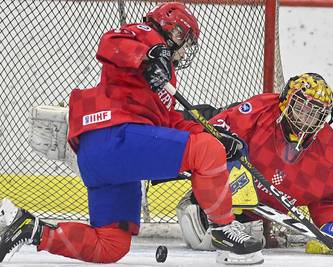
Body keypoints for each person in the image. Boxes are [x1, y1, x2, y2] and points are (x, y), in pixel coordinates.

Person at [0, 2, 263, 264]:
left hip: (105, 160)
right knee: (206, 150)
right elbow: (110, 42)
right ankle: (223, 228)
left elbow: (170, 121)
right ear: (176, 32)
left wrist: (215, 135)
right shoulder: (144, 35)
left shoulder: (163, 77)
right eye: (187, 42)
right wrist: (152, 53)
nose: (186, 52)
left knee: (110, 245)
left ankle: (31, 229)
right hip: (115, 137)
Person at [176, 73, 333, 255]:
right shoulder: (261, 110)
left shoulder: (331, 154)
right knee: (202, 237)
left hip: (252, 215)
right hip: (219, 194)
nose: (305, 118)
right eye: (301, 107)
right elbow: (216, 135)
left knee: (248, 242)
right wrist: (229, 172)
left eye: (315, 113)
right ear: (286, 101)